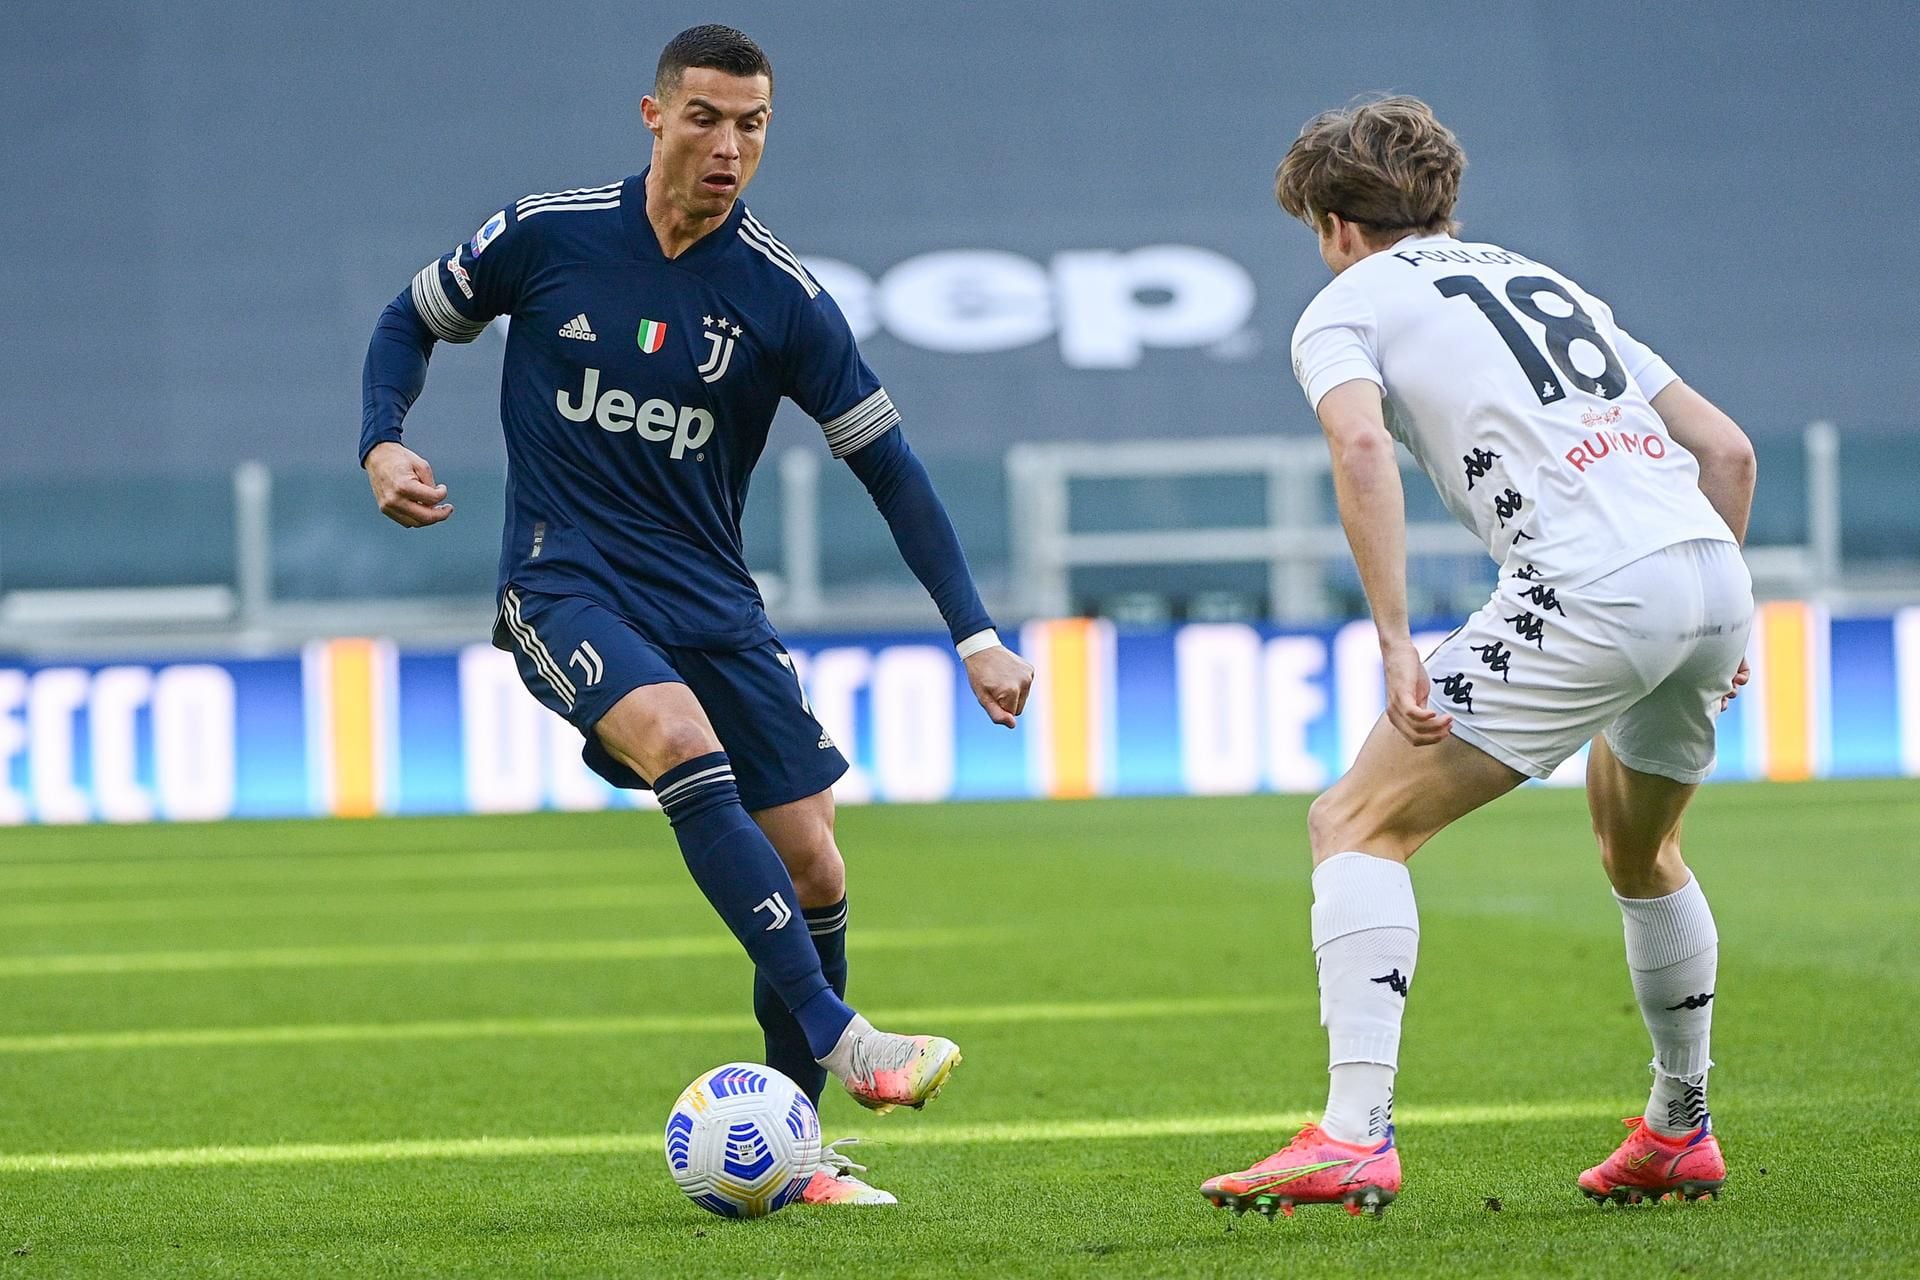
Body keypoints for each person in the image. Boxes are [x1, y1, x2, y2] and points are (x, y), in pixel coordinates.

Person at [359, 24, 1033, 1207]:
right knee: (679, 738)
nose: (731, 148)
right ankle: (842, 1033)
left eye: (755, 125)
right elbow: (408, 318)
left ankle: (802, 1153)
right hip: (562, 580)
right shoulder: (546, 233)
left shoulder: (781, 296)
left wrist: (973, 630)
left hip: (712, 601)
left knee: (814, 862)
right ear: (654, 116)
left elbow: (892, 467)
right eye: (709, 119)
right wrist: (383, 439)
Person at [1201, 96, 1756, 1217]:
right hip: (1706, 570)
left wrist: (1397, 635)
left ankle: (1353, 1132)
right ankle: (1677, 1124)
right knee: (1640, 851)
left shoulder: (1343, 306)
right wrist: (1702, 610)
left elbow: (1360, 442)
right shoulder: (1549, 283)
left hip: (1594, 583)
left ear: (1334, 223)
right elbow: (1727, 449)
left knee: (1355, 821)